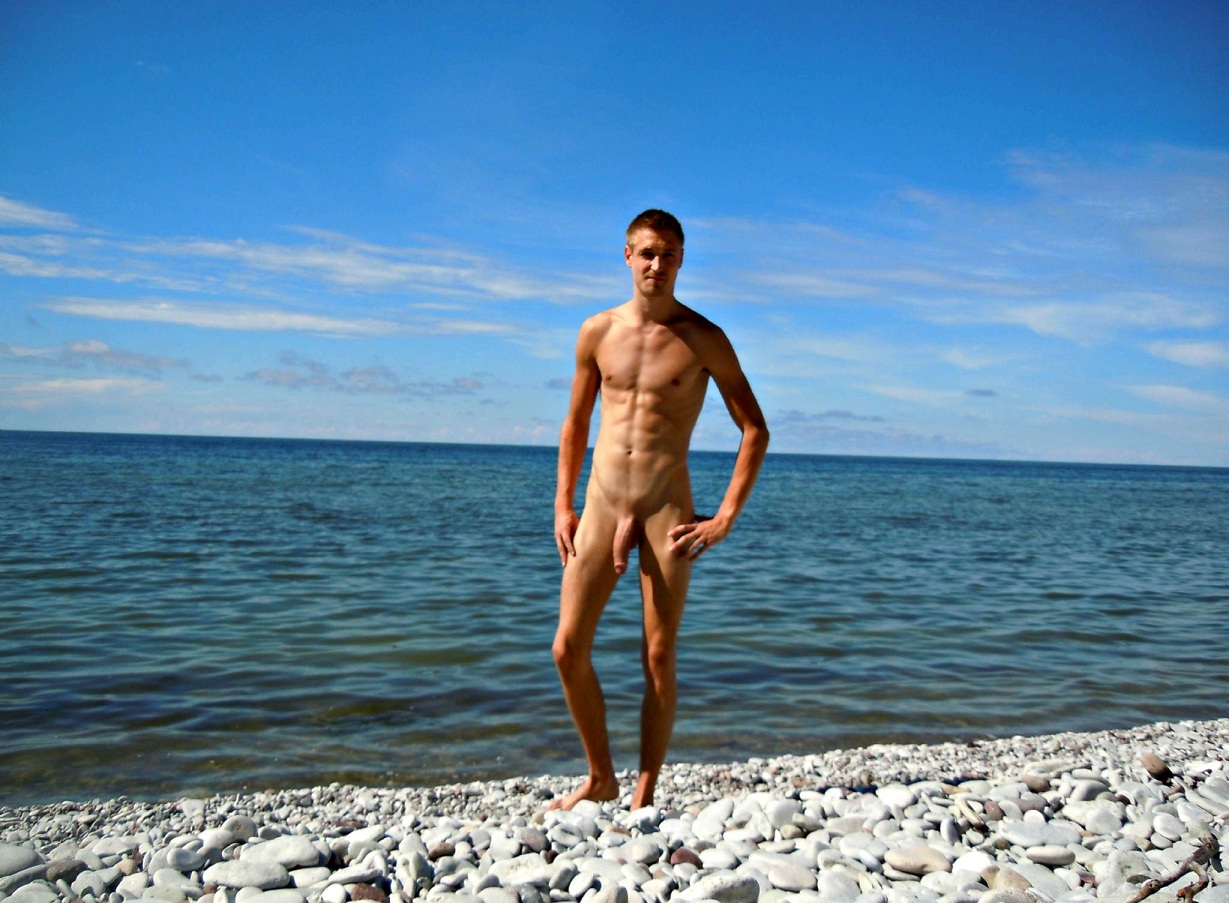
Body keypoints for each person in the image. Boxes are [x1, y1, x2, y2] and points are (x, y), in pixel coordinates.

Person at [551, 209, 770, 810]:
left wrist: (724, 518)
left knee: (658, 654)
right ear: (627, 256)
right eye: (647, 253)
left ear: (681, 260)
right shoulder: (597, 331)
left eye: (668, 254)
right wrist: (563, 504)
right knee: (567, 648)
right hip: (601, 503)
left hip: (665, 510)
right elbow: (575, 423)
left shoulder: (703, 337)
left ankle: (644, 791)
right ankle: (601, 777)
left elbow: (755, 429)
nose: (657, 264)